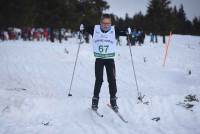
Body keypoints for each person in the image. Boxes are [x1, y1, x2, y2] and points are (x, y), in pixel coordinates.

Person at [81, 14, 126, 112]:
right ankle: (95, 101)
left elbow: (124, 32)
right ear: (100, 23)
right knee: (99, 80)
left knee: (112, 79)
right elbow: (84, 28)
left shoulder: (114, 30)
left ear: (111, 23)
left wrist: (128, 32)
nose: (106, 25)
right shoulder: (94, 29)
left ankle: (113, 101)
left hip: (110, 59)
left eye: (108, 23)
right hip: (99, 59)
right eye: (104, 23)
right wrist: (81, 28)